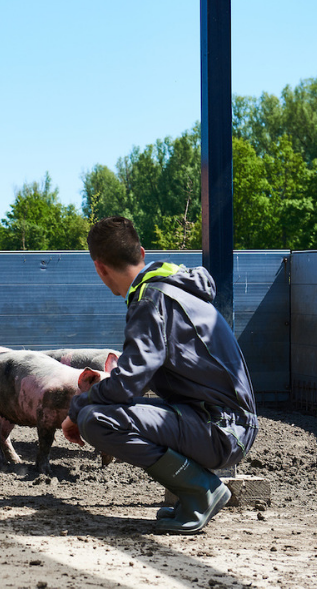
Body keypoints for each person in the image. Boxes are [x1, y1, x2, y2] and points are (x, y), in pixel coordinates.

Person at [62, 216, 258, 535]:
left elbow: (127, 382)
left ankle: (202, 492)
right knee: (100, 411)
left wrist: (76, 408)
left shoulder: (150, 300)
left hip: (222, 428)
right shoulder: (173, 289)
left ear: (99, 267)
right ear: (141, 250)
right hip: (225, 421)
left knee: (96, 420)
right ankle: (192, 492)